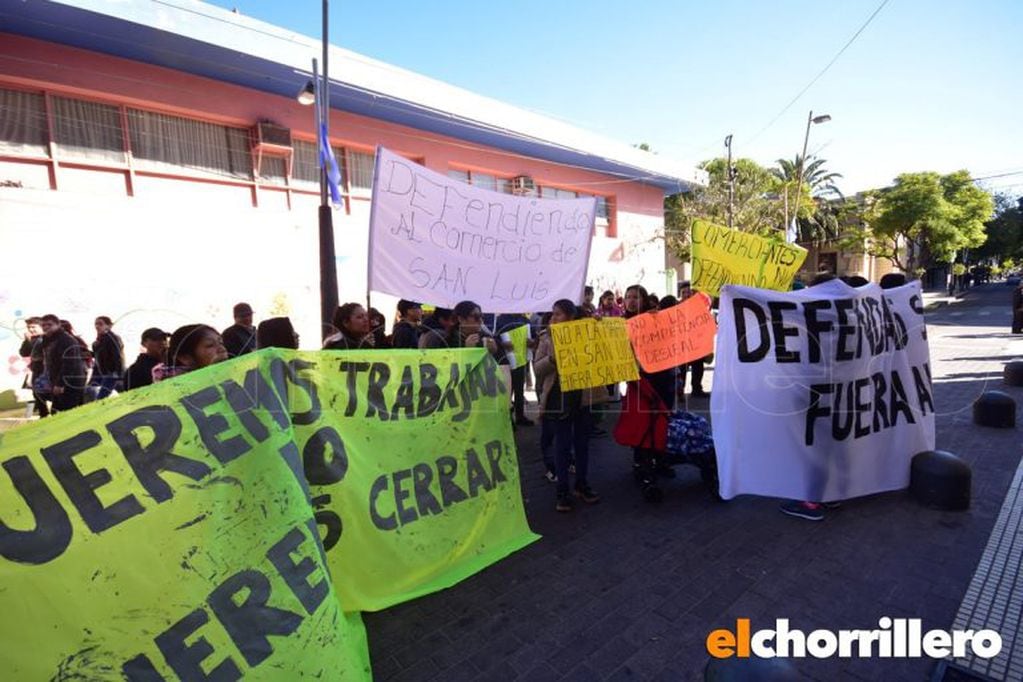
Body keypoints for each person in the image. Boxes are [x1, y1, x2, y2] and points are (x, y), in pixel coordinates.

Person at [533, 299, 600, 512]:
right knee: (562, 446)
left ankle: (581, 484)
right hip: (557, 398)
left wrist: (598, 327)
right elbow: (537, 369)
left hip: (582, 396)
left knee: (582, 444)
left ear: (571, 317)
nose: (553, 319)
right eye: (552, 314)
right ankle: (563, 491)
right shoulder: (546, 338)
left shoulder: (586, 334)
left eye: (558, 314)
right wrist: (552, 360)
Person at [623, 284, 677, 477]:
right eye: (628, 297)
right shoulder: (619, 323)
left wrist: (660, 318)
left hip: (662, 378)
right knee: (641, 422)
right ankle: (641, 462)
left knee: (662, 419)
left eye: (635, 297)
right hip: (639, 382)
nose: (630, 301)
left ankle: (661, 459)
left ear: (644, 300)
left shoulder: (655, 318)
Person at [39, 314, 88, 413]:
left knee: (69, 413)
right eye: (43, 325)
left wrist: (60, 384)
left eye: (49, 324)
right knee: (57, 412)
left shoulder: (66, 340)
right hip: (57, 380)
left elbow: (70, 364)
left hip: (71, 382)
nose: (46, 327)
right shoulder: (47, 340)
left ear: (58, 325)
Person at [495, 312, 534, 426]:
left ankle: (520, 416)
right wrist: (502, 344)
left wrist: (531, 342)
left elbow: (532, 337)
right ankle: (507, 419)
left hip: (520, 359)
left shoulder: (525, 320)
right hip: (504, 360)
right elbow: (492, 337)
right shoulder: (499, 319)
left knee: (519, 388)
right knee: (507, 389)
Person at [153, 324, 228, 381]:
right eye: (210, 345)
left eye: (221, 343)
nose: (222, 349)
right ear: (186, 358)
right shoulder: (178, 387)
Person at [677, 281, 709, 400]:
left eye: (688, 292)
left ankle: (697, 389)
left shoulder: (700, 307)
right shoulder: (676, 307)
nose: (686, 294)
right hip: (682, 345)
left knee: (698, 367)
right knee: (682, 370)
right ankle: (680, 392)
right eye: (683, 292)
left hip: (696, 344)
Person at [88, 316, 125, 400]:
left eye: (100, 324)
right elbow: (100, 355)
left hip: (112, 373)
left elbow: (117, 355)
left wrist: (118, 372)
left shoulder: (112, 338)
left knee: (101, 397)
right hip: (105, 373)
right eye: (96, 324)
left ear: (108, 326)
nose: (97, 326)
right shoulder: (100, 340)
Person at [19, 317, 49, 417]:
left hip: (47, 368)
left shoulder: (47, 337)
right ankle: (43, 413)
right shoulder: (32, 339)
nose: (31, 329)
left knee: (48, 391)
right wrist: (27, 341)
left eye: (33, 327)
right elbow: (23, 353)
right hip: (36, 369)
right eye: (29, 327)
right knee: (37, 393)